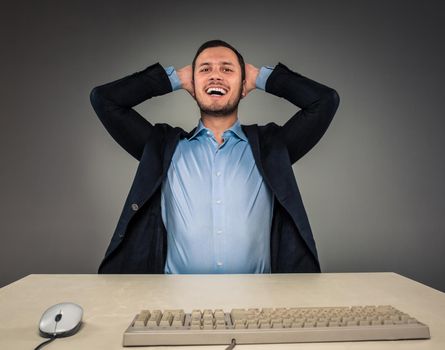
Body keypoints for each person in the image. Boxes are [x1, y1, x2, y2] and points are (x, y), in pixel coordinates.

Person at [90, 40, 340, 274]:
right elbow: (105, 100)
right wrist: (174, 78)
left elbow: (325, 102)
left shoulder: (272, 149)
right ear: (192, 85)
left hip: (257, 308)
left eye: (227, 69)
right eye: (205, 69)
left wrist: (259, 76)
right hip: (177, 308)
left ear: (243, 86)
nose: (215, 75)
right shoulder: (162, 148)